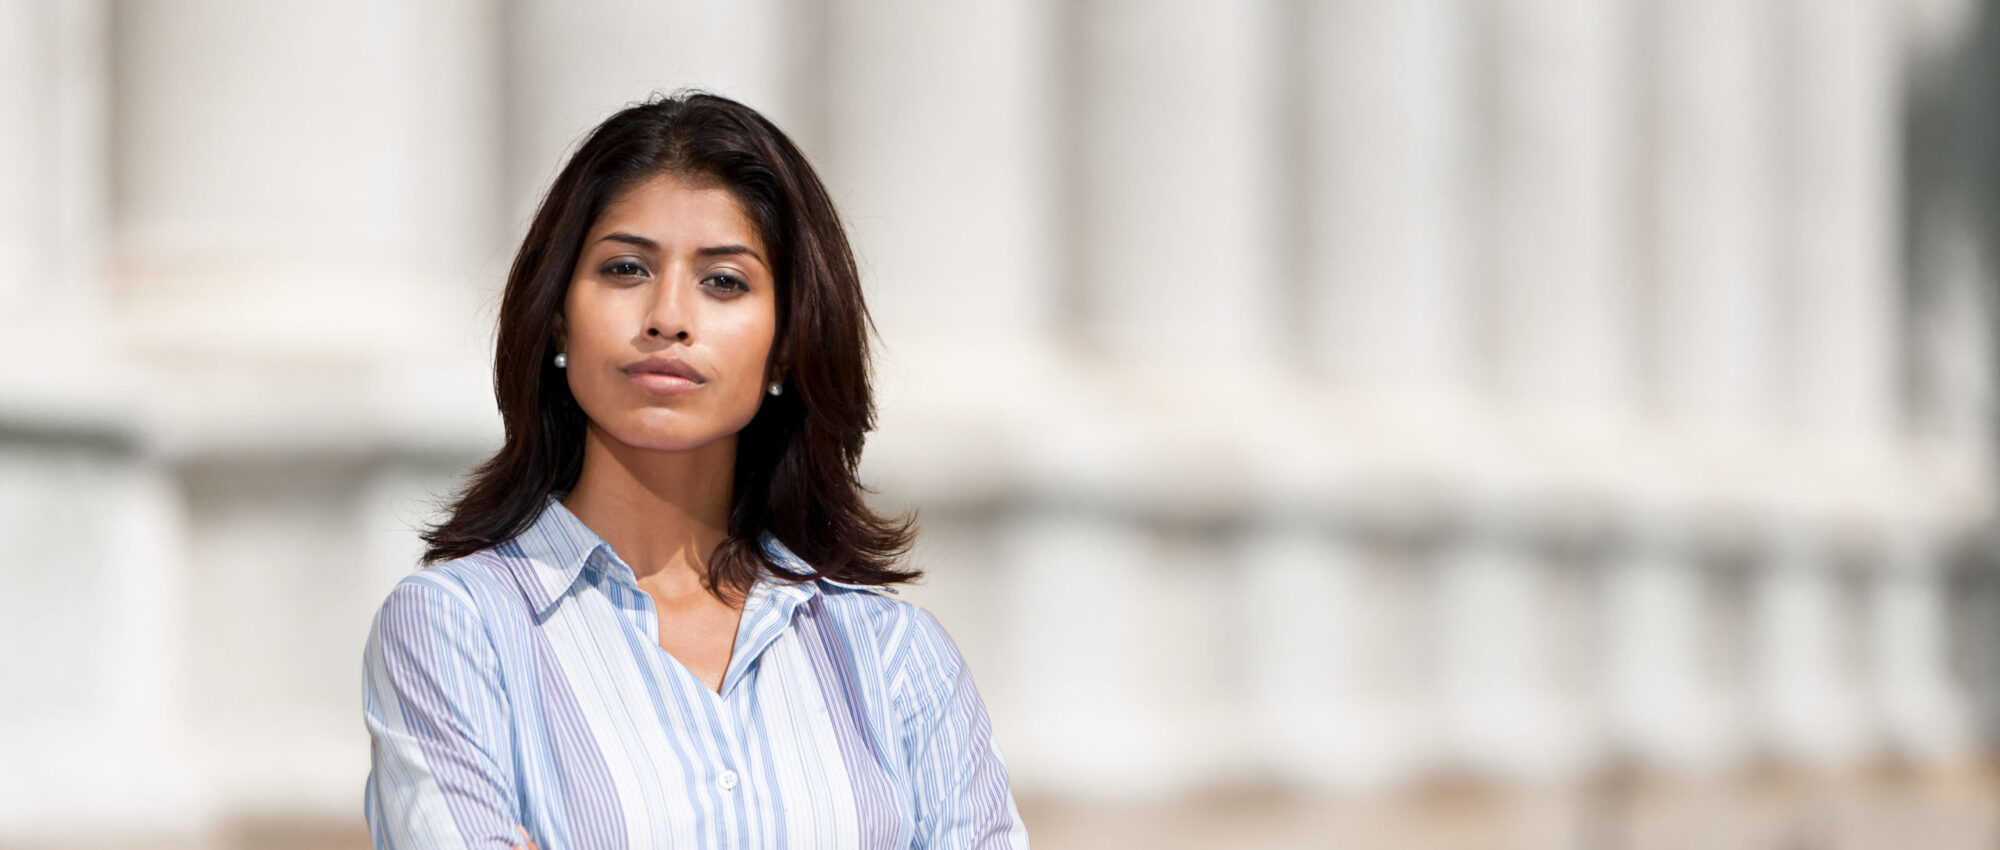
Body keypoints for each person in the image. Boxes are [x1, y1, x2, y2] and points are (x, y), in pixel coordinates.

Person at [360, 92, 1029, 849]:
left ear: (786, 343)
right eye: (625, 268)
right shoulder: (454, 631)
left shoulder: (893, 654)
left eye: (724, 282)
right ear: (557, 316)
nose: (668, 316)